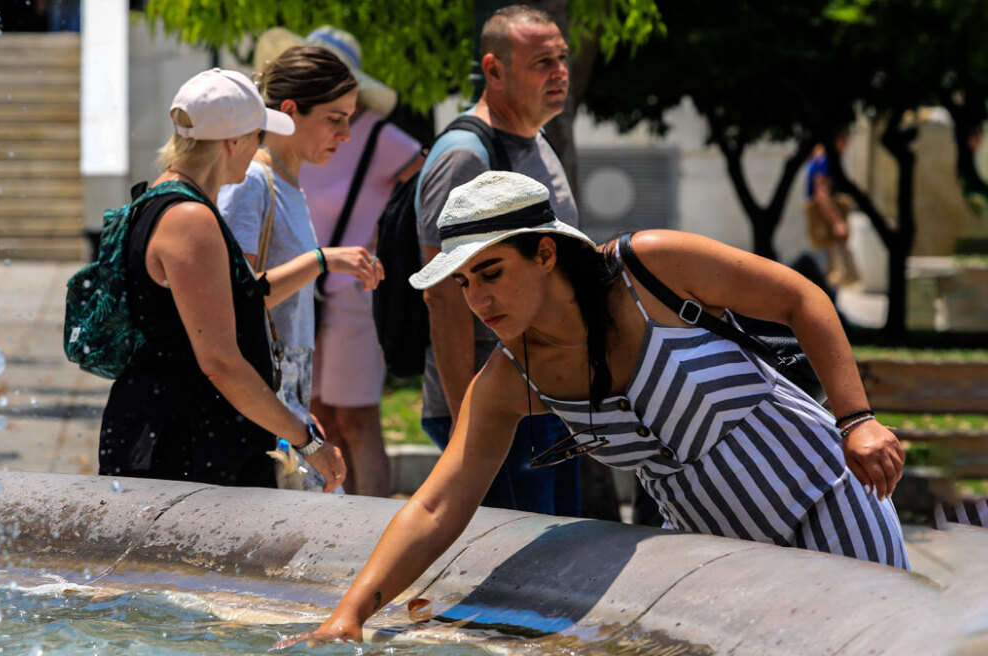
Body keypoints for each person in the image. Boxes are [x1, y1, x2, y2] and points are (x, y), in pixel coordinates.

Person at [299, 170, 909, 642]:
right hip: (717, 551)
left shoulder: (650, 267)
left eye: (489, 272)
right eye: (463, 283)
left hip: (826, 501)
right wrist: (349, 616)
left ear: (545, 253)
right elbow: (435, 505)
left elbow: (802, 298)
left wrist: (857, 420)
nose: (477, 299)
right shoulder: (511, 376)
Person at [98, 68, 347, 491]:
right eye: (256, 136)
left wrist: (285, 412)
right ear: (232, 142)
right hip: (184, 452)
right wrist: (307, 442)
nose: (259, 148)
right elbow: (220, 362)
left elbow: (241, 305)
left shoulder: (167, 201)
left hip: (180, 439)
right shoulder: (189, 219)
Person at [416, 4, 606, 518]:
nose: (560, 72)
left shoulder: (536, 139)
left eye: (562, 58)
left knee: (556, 564)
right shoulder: (467, 155)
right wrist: (467, 425)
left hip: (546, 399)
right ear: (494, 70)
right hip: (496, 406)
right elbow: (443, 294)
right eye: (542, 62)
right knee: (516, 575)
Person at [255, 25, 423, 497]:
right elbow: (243, 292)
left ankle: (369, 534)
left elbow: (423, 186)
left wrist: (380, 241)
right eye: (334, 118)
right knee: (322, 416)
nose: (344, 133)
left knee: (355, 417)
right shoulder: (270, 173)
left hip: (349, 294)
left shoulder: (373, 136)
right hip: (304, 300)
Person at [218, 46, 385, 430]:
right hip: (250, 405)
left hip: (278, 398)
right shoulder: (253, 182)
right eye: (334, 120)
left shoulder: (286, 184)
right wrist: (323, 260)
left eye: (348, 120)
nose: (345, 135)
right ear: (290, 111)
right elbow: (233, 302)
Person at [803, 127, 859, 292]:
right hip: (826, 228)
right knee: (828, 280)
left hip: (824, 228)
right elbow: (821, 194)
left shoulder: (819, 157)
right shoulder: (825, 159)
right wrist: (838, 222)